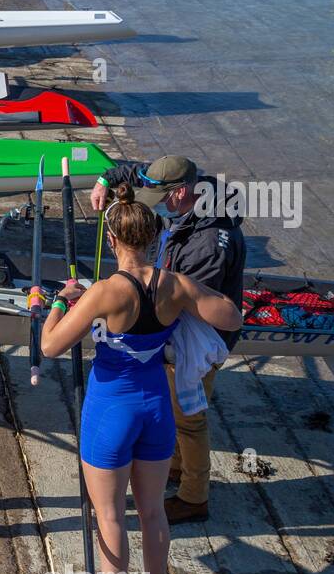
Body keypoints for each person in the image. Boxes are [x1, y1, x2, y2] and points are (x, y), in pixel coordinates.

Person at [41, 185, 243, 574]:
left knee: (109, 514)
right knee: (152, 511)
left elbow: (51, 345)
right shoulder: (176, 285)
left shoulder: (105, 293)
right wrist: (197, 296)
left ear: (112, 241)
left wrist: (59, 300)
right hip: (157, 409)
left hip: (111, 410)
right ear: (154, 239)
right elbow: (230, 316)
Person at [90, 155, 247, 524]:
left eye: (159, 197)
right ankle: (175, 467)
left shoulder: (207, 245)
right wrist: (102, 180)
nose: (154, 202)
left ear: (179, 193)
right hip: (193, 310)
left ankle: (195, 496)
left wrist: (127, 309)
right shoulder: (192, 182)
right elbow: (133, 170)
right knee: (176, 411)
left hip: (203, 336)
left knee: (190, 418)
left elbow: (180, 304)